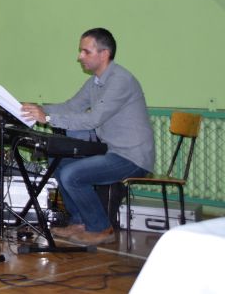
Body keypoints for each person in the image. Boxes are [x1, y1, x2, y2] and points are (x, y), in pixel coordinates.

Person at [21, 27, 155, 246]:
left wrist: (47, 118)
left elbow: (93, 119)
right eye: (80, 51)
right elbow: (71, 106)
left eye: (86, 51)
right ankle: (79, 221)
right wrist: (36, 109)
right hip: (111, 152)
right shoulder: (95, 82)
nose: (79, 56)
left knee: (72, 174)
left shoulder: (120, 80)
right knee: (58, 161)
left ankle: (101, 228)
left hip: (132, 157)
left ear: (104, 54)